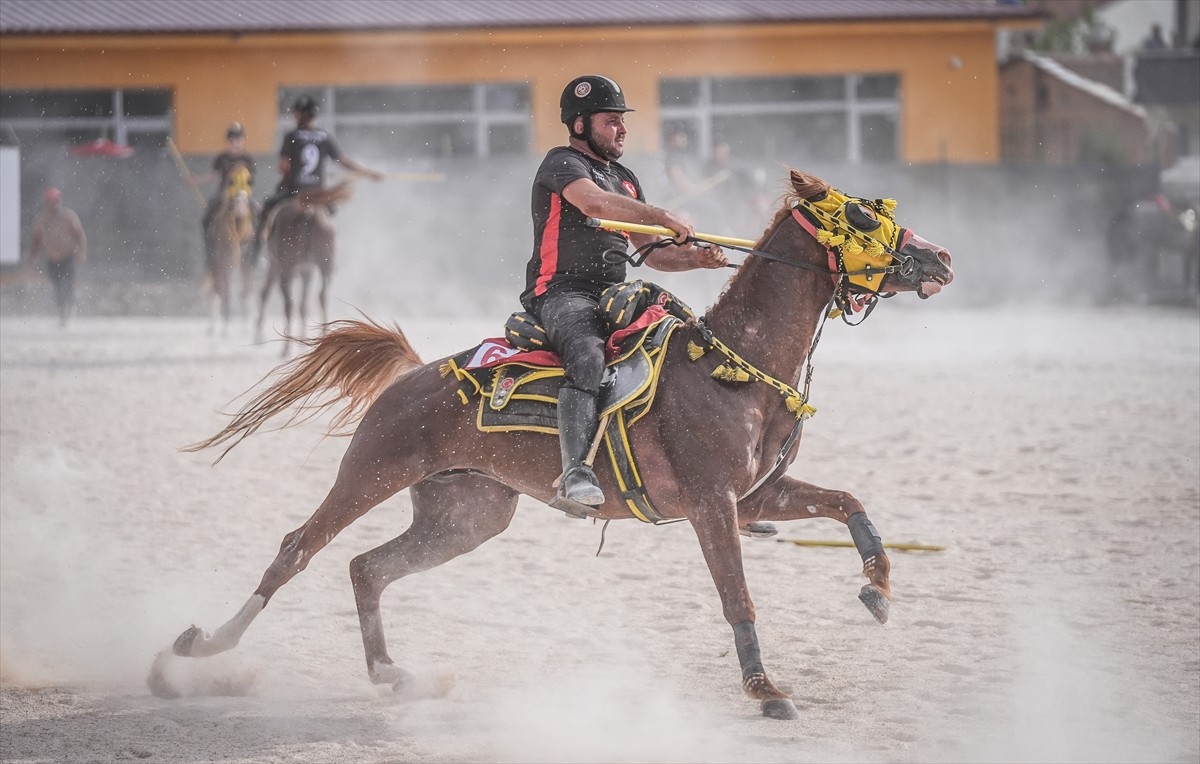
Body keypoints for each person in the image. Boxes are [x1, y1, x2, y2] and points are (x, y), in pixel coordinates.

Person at [519, 74, 728, 510]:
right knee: (588, 353)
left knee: (692, 340)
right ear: (580, 125)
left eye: (622, 121)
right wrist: (660, 213)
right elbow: (593, 203)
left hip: (615, 293)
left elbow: (653, 255)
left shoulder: (626, 180)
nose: (623, 129)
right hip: (561, 293)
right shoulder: (562, 164)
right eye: (612, 120)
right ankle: (575, 471)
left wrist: (695, 258)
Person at [251, 95, 384, 260]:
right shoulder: (324, 137)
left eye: (296, 114)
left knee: (267, 207)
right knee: (331, 214)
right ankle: (333, 254)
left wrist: (289, 174)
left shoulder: (291, 136)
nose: (294, 116)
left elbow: (283, 166)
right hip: (319, 194)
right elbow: (343, 161)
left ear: (301, 115)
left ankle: (255, 255)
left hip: (295, 192)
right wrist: (370, 173)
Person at [191, 122, 257, 267]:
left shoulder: (248, 158)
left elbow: (251, 180)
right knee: (207, 216)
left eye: (239, 138)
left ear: (243, 140)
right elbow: (211, 176)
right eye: (233, 139)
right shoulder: (222, 157)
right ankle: (209, 250)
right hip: (224, 195)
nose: (236, 142)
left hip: (243, 195)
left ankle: (255, 252)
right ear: (228, 140)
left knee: (258, 213)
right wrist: (196, 180)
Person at [29, 187, 87, 327]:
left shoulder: (69, 216)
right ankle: (62, 317)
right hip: (52, 258)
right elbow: (37, 240)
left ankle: (71, 312)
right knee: (58, 287)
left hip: (68, 256)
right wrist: (32, 257)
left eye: (55, 200)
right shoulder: (42, 220)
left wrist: (81, 251)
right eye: (50, 201)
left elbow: (79, 235)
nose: (54, 204)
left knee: (69, 285)